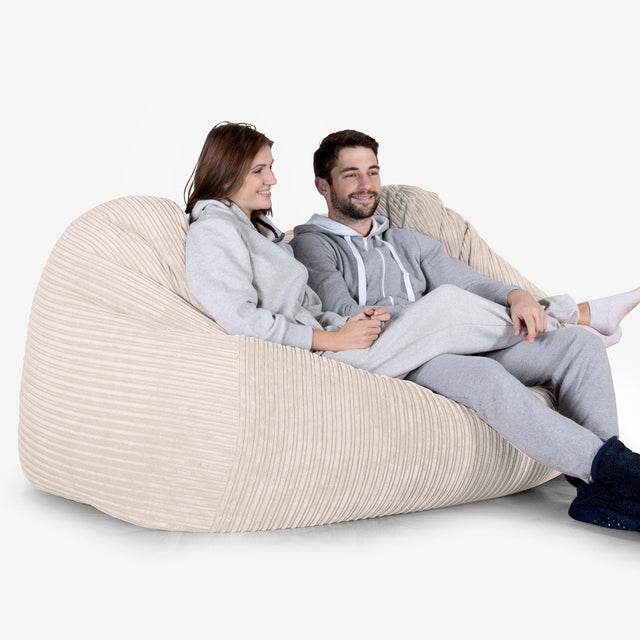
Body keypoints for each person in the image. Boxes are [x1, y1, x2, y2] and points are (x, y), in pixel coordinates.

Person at [185, 121, 640, 531]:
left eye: (373, 172)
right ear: (323, 185)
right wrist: (349, 332)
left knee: (579, 345)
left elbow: (470, 282)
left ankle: (602, 490)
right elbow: (295, 312)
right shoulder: (303, 242)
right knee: (452, 316)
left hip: (443, 335)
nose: (366, 185)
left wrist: (516, 296)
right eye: (351, 175)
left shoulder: (391, 238)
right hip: (393, 349)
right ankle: (574, 321)